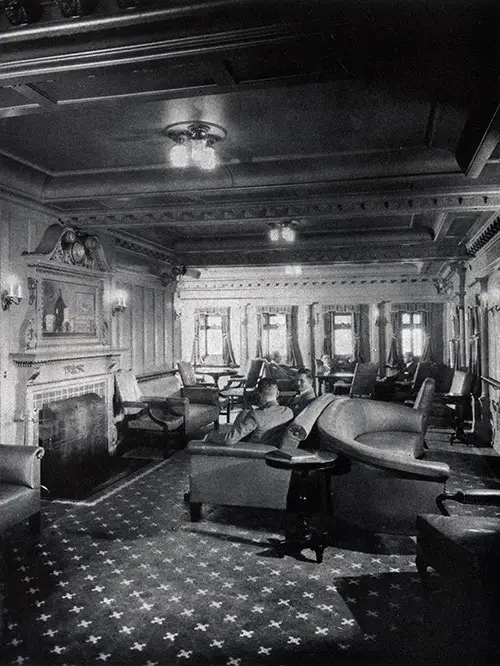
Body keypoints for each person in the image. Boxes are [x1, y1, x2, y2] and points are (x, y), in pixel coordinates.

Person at [204, 377, 293, 446]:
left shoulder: (256, 415)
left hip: (250, 451)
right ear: (277, 393)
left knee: (209, 433)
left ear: (258, 394)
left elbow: (230, 439)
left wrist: (211, 436)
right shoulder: (288, 412)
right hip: (270, 448)